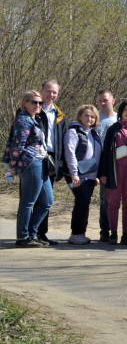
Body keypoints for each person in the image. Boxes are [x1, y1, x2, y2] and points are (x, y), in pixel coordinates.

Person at [8, 91, 53, 247]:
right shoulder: (23, 121)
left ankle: (32, 233)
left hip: (42, 162)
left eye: (40, 103)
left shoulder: (37, 119)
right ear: (24, 103)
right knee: (28, 202)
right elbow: (16, 147)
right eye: (34, 102)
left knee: (47, 201)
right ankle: (23, 237)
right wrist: (13, 167)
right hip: (31, 164)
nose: (38, 105)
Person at [98, 99, 127, 246]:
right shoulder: (113, 128)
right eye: (126, 110)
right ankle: (113, 233)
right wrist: (103, 173)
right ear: (121, 111)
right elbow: (106, 152)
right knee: (112, 203)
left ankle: (125, 234)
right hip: (115, 171)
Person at [63, 105, 103, 245]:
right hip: (78, 175)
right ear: (79, 116)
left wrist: (97, 175)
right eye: (86, 115)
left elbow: (97, 156)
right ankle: (76, 234)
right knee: (82, 202)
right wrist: (74, 174)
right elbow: (70, 154)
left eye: (92, 117)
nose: (89, 119)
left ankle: (80, 233)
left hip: (91, 176)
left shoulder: (93, 133)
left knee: (84, 203)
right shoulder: (73, 132)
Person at [37, 80, 66, 245]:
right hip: (35, 156)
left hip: (52, 157)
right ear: (42, 91)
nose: (51, 95)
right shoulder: (34, 109)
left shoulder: (59, 115)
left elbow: (61, 139)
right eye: (48, 91)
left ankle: (42, 233)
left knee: (46, 197)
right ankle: (26, 233)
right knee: (32, 197)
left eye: (54, 92)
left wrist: (61, 160)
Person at [95, 89, 117, 243]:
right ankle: (79, 231)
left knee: (107, 198)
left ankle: (109, 231)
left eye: (106, 100)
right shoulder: (93, 117)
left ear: (113, 101)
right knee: (86, 198)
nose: (103, 103)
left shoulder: (119, 119)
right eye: (100, 101)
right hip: (93, 162)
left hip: (111, 164)